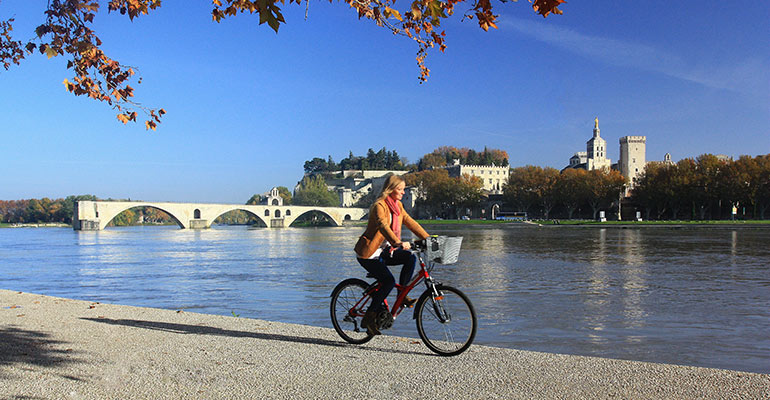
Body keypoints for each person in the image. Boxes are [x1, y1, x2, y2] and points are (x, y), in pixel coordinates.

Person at [354, 174, 430, 335]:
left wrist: (428, 239)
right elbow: (382, 225)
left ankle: (402, 295)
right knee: (388, 281)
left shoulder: (398, 206)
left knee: (409, 257)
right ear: (391, 189)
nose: (403, 192)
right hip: (369, 253)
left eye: (403, 190)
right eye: (400, 189)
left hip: (386, 251)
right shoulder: (379, 206)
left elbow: (411, 222)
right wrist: (397, 242)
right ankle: (369, 316)